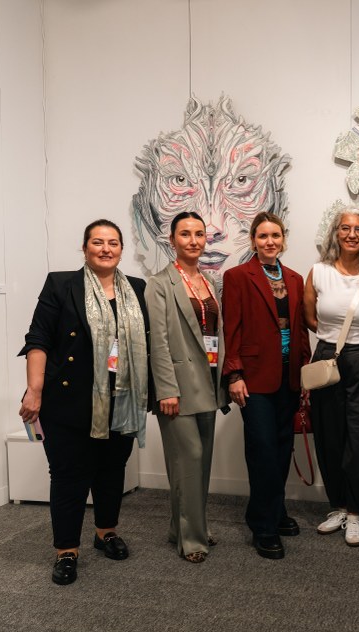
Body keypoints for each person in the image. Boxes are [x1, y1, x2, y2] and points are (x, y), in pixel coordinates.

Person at [19, 220, 150, 586]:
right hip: (68, 400)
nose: (106, 248)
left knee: (112, 470)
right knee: (69, 476)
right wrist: (34, 390)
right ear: (85, 247)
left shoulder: (137, 288)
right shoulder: (62, 284)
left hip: (122, 398)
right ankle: (66, 550)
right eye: (98, 242)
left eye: (113, 242)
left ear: (121, 249)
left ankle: (105, 532)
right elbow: (38, 339)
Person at [222, 212, 311, 559]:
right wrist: (234, 374)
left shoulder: (295, 278)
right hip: (254, 378)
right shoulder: (237, 277)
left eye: (275, 235)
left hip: (289, 376)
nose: (269, 241)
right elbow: (232, 328)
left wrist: (305, 372)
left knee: (282, 447)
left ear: (283, 239)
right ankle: (263, 526)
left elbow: (300, 330)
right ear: (253, 240)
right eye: (263, 236)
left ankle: (275, 509)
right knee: (262, 451)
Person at [303, 207, 359, 547]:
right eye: (345, 228)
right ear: (335, 233)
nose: (352, 234)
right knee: (330, 435)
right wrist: (331, 341)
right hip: (328, 358)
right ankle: (338, 506)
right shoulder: (318, 272)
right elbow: (310, 318)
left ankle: (356, 511)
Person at [147, 212, 229, 563]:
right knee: (188, 460)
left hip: (207, 384)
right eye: (185, 234)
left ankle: (184, 526)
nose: (193, 240)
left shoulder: (209, 281)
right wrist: (166, 389)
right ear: (172, 240)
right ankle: (192, 541)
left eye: (199, 234)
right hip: (177, 388)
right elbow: (158, 341)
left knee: (201, 463)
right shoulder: (159, 283)